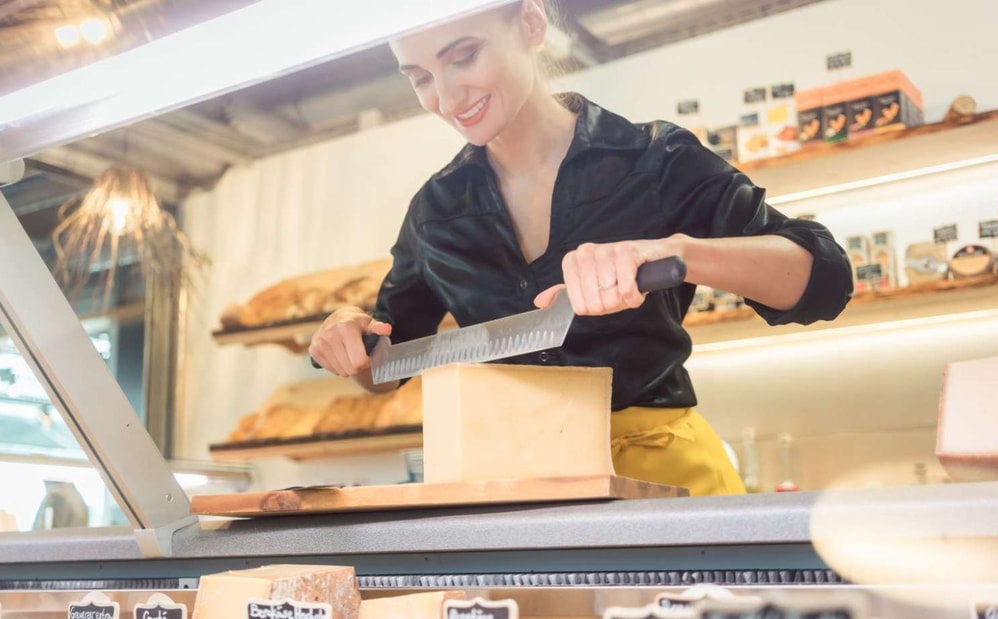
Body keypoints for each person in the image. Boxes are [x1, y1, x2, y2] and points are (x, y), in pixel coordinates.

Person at [309, 0, 852, 496]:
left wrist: (673, 251)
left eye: (464, 57)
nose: (446, 98)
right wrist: (348, 334)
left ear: (530, 24)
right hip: (515, 490)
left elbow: (825, 280)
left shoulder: (656, 158)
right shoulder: (434, 211)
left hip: (666, 480)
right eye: (421, 77)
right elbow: (385, 367)